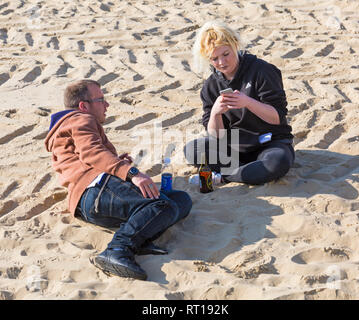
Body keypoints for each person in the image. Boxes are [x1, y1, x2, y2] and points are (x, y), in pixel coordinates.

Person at [45, 79, 192, 281]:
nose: (107, 105)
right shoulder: (81, 119)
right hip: (94, 191)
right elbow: (91, 153)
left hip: (94, 198)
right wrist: (132, 173)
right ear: (83, 106)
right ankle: (117, 250)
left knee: (181, 200)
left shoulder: (73, 124)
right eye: (101, 100)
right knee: (163, 205)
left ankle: (140, 239)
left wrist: (115, 162)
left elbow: (87, 155)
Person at [184, 21, 295, 185]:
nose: (221, 62)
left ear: (235, 45)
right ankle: (244, 171)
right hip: (234, 147)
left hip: (269, 143)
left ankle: (223, 176)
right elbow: (216, 136)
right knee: (192, 150)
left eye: (226, 54)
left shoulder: (262, 71)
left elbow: (277, 118)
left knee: (276, 163)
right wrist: (215, 113)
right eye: (214, 59)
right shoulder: (211, 85)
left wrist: (248, 102)